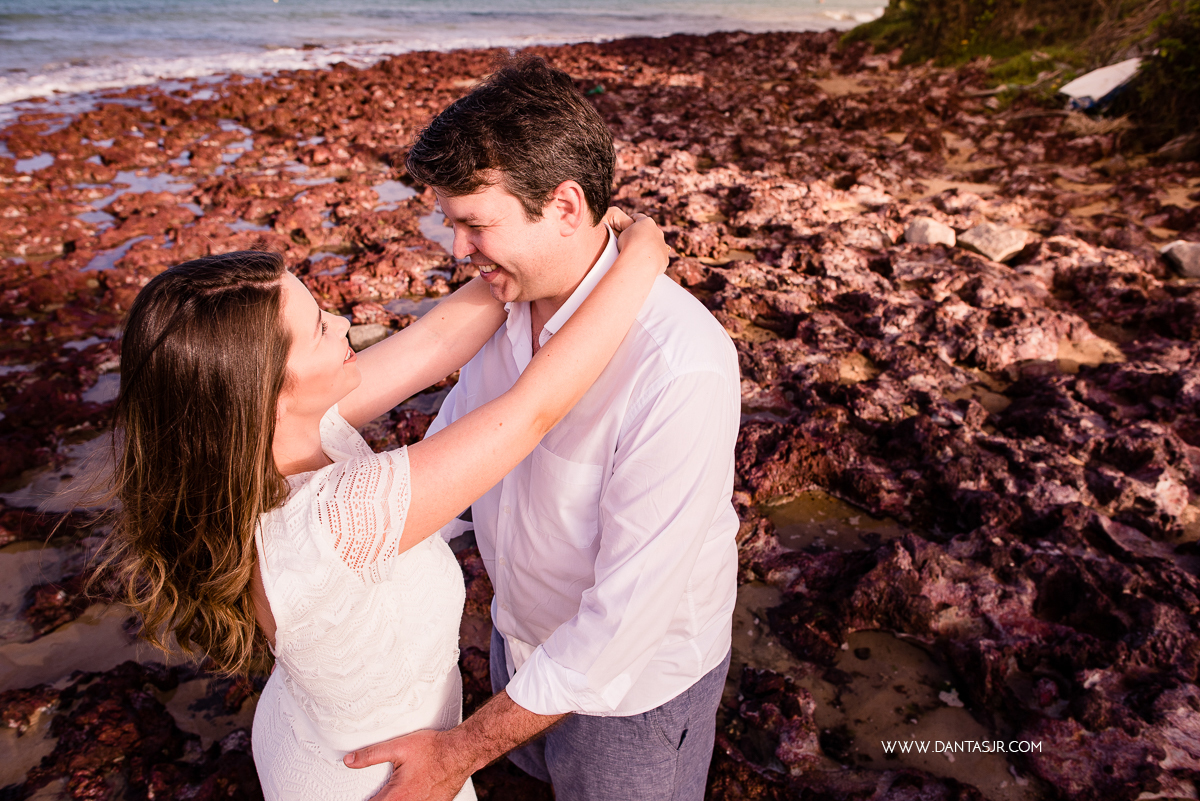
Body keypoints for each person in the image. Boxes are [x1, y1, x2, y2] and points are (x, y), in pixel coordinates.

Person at [96, 206, 668, 801]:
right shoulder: (333, 521)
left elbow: (434, 340)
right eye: (318, 327)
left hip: (308, 733)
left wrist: (525, 251)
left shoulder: (255, 450)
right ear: (264, 392)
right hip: (379, 780)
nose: (342, 321)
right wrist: (642, 257)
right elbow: (533, 410)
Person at [345, 57, 741, 801]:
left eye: (475, 225)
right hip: (514, 647)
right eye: (451, 224)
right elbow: (459, 468)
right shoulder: (501, 310)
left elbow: (624, 625)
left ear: (564, 206)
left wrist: (460, 750)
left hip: (632, 700)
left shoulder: (679, 365)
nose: (457, 252)